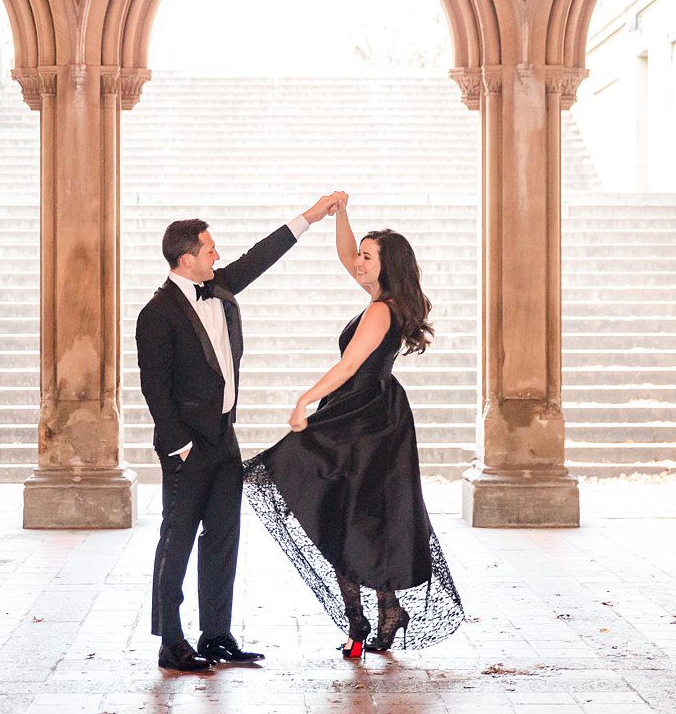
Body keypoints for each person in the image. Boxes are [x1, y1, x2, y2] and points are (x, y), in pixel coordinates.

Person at [243, 198, 463, 657]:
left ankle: (368, 618)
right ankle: (374, 615)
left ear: (386, 266)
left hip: (365, 419)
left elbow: (348, 366)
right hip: (366, 412)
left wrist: (305, 398)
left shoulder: (381, 310)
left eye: (367, 257)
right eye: (360, 255)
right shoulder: (388, 298)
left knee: (345, 513)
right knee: (354, 515)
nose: (356, 263)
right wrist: (337, 213)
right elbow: (346, 255)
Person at [136, 193, 346, 672]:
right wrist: (181, 446)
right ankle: (171, 639)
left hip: (225, 438)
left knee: (223, 537)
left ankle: (216, 635)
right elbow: (156, 390)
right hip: (187, 448)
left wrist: (311, 217)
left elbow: (260, 256)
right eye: (209, 250)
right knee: (178, 539)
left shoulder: (220, 286)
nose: (217, 256)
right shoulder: (157, 313)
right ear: (186, 259)